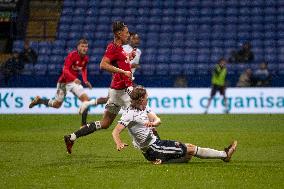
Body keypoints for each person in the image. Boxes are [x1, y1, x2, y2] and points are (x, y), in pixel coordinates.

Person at [112, 86, 237, 164]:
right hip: (153, 148)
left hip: (156, 142)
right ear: (140, 99)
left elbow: (157, 120)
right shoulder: (129, 114)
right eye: (146, 97)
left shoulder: (144, 107)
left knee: (187, 156)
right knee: (191, 148)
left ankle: (162, 159)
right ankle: (224, 155)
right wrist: (119, 142)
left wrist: (154, 123)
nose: (148, 99)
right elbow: (115, 131)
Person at [63, 21, 136, 154]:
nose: (128, 35)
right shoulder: (114, 48)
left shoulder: (119, 49)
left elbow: (120, 63)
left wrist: (129, 58)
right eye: (126, 32)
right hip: (123, 91)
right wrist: (123, 72)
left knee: (105, 123)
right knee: (142, 115)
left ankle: (72, 137)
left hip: (115, 91)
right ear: (119, 34)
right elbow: (103, 65)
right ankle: (155, 148)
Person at [29, 38, 102, 127]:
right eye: (82, 46)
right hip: (63, 83)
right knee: (56, 105)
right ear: (78, 47)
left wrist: (85, 80)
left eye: (86, 46)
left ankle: (83, 125)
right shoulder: (72, 56)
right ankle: (39, 100)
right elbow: (65, 70)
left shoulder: (85, 58)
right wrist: (74, 78)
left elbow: (83, 69)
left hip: (74, 83)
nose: (85, 48)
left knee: (86, 100)